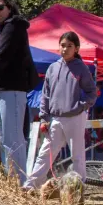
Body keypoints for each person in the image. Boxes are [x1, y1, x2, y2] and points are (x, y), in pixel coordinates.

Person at [24, 32, 96, 190]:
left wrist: (81, 106)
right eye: (63, 45)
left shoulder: (81, 68)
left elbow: (92, 92)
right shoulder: (52, 68)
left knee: (77, 155)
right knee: (45, 153)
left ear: (76, 48)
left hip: (75, 117)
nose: (65, 49)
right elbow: (46, 95)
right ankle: (31, 185)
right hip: (55, 118)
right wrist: (44, 117)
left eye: (69, 46)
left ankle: (78, 189)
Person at [0, 0, 34, 183]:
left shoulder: (13, 26)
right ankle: (12, 181)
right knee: (4, 140)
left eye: (0, 7)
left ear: (9, 8)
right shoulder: (4, 28)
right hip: (2, 90)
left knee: (13, 139)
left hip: (12, 89)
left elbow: (1, 56)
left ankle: (19, 182)